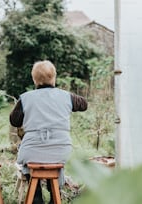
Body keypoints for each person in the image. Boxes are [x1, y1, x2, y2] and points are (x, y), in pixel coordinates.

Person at [10, 60, 87, 203]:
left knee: (27, 156)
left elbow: (14, 121)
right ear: (54, 77)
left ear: (34, 79)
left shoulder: (26, 98)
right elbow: (84, 104)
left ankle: (36, 193)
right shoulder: (66, 96)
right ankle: (55, 193)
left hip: (32, 152)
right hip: (61, 151)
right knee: (56, 161)